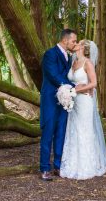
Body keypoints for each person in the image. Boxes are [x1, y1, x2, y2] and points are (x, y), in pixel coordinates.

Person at [60, 39, 106, 180]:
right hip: (73, 101)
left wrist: (79, 89)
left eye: (78, 43)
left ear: (82, 47)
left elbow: (93, 83)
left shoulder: (88, 63)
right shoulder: (73, 62)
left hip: (85, 102)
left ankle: (87, 165)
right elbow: (70, 81)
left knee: (84, 130)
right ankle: (72, 164)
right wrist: (67, 91)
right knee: (73, 129)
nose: (74, 44)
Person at [39, 28, 78, 181]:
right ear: (65, 40)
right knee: (48, 133)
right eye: (73, 41)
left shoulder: (69, 58)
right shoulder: (50, 54)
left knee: (61, 133)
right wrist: (74, 87)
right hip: (50, 100)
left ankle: (58, 166)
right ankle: (44, 168)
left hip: (65, 101)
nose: (74, 43)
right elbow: (54, 75)